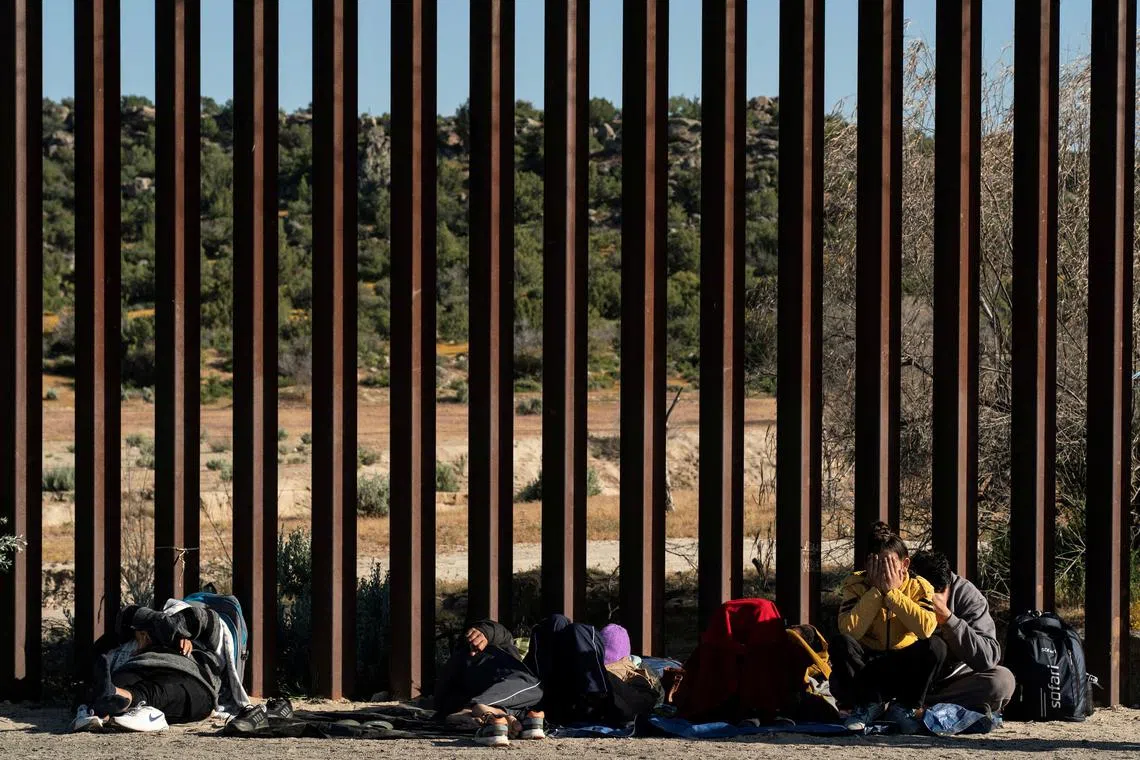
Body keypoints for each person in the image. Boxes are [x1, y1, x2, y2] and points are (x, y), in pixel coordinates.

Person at [832, 522, 946, 734]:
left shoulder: (918, 586)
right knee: (841, 643)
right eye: (878, 565)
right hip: (866, 668)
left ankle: (904, 708)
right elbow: (850, 630)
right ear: (868, 564)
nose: (886, 571)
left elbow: (926, 629)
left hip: (902, 665)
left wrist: (893, 595)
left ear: (905, 564)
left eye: (891, 565)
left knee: (936, 646)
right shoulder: (855, 586)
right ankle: (868, 706)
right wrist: (875, 593)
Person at [71, 599, 250, 733]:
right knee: (120, 682)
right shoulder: (144, 633)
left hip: (187, 674)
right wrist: (149, 631)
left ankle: (116, 702)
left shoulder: (208, 632)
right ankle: (104, 705)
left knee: (161, 690)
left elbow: (196, 619)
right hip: (140, 665)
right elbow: (126, 614)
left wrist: (164, 631)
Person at [910, 549, 1016, 713]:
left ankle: (924, 707)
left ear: (946, 589)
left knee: (1002, 681)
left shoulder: (967, 595)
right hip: (908, 677)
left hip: (950, 682)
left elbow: (988, 657)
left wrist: (948, 619)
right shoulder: (902, 588)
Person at [433, 619, 545, 746]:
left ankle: (493, 717)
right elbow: (502, 633)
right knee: (535, 687)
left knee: (522, 701)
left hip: (457, 696)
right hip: (472, 667)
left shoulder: (509, 691)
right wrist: (484, 632)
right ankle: (471, 708)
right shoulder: (505, 654)